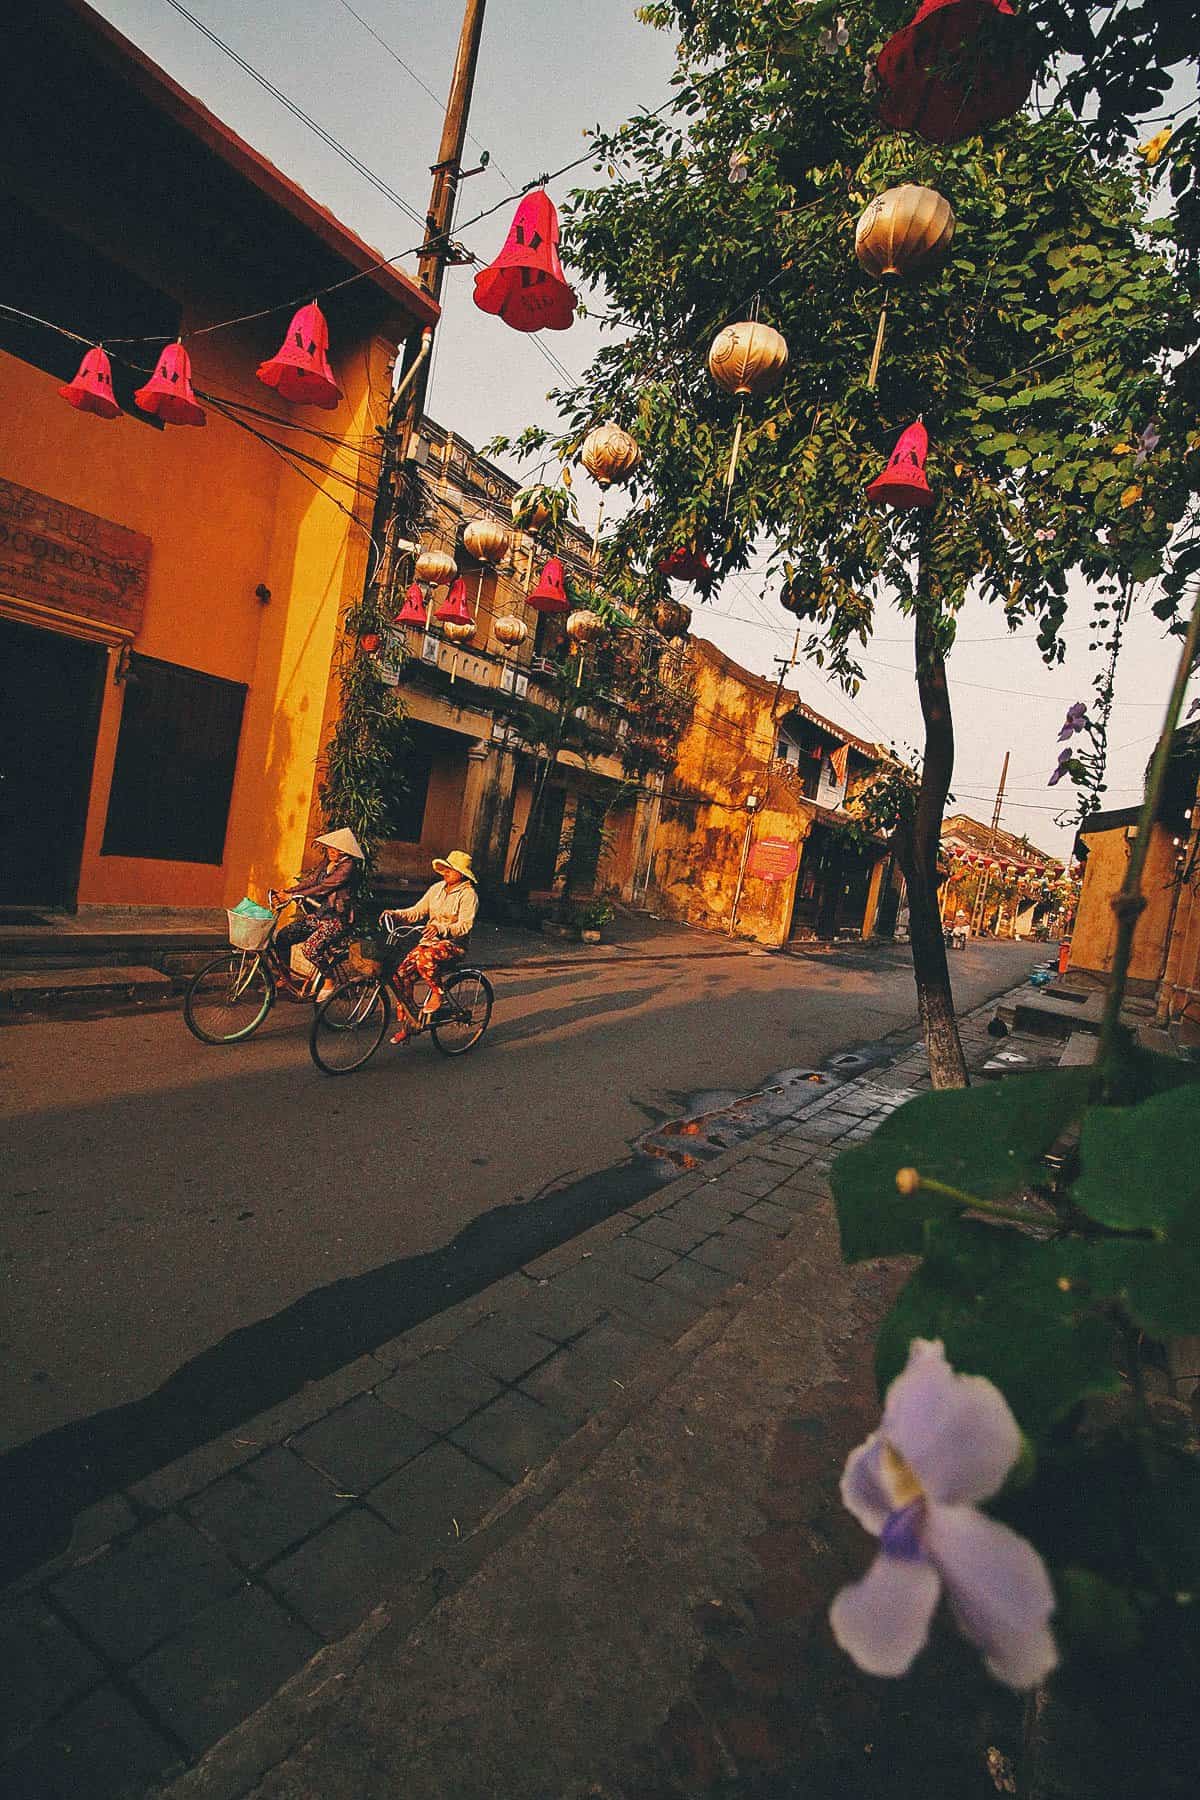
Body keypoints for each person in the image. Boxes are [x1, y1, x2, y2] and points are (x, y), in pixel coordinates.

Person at [380, 850, 478, 1044]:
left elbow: (465, 926)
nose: (447, 872)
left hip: (453, 946)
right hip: (428, 945)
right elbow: (417, 911)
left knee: (424, 957)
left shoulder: (469, 895)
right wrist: (396, 914)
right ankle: (410, 1022)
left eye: (452, 869)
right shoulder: (437, 888)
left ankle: (438, 992)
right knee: (400, 976)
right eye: (446, 869)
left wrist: (440, 928)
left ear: (462, 874)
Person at [273, 827, 364, 1002]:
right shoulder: (327, 862)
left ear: (345, 851)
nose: (331, 851)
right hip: (321, 915)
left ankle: (330, 980)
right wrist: (288, 891)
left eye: (335, 849)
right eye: (330, 848)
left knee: (311, 948)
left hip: (339, 919)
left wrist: (293, 896)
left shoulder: (348, 867)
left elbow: (324, 886)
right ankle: (285, 978)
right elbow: (312, 880)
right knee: (283, 936)